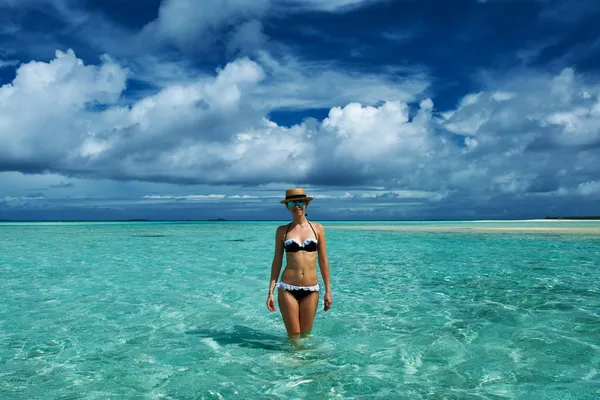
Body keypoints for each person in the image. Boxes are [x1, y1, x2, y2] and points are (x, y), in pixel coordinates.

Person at [266, 188, 332, 338]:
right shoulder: (282, 231)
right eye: (292, 204)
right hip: (287, 288)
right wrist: (270, 292)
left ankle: (304, 361)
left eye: (300, 202)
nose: (297, 206)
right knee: (294, 336)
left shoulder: (318, 229)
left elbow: (323, 260)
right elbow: (277, 261)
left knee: (306, 335)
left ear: (306, 204)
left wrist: (328, 290)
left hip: (311, 289)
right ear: (286, 207)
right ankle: (293, 360)